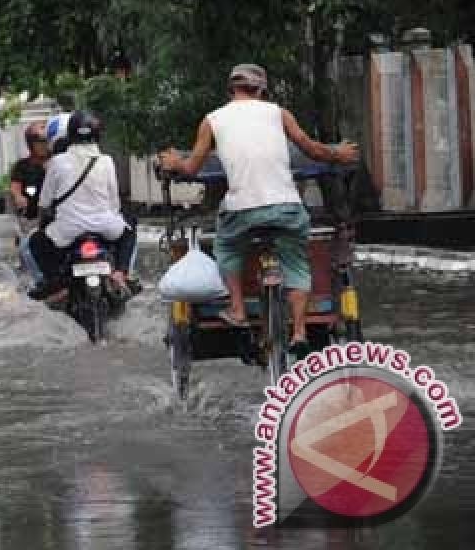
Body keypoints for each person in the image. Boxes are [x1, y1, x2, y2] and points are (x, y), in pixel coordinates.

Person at [159, 63, 359, 356]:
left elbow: (191, 167)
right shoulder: (279, 113)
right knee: (297, 264)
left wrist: (175, 162)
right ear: (262, 89)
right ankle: (300, 330)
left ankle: (238, 309)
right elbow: (311, 149)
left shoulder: (212, 120)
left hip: (242, 212)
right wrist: (338, 154)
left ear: (232, 89)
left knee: (225, 247)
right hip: (288, 209)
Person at [23, 111, 136, 306]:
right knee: (129, 228)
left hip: (68, 232)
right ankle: (120, 273)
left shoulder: (57, 162)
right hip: (105, 228)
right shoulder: (107, 161)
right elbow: (114, 203)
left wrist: (44, 223)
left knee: (35, 241)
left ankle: (57, 285)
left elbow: (44, 204)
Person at [9, 122, 50, 243]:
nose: (43, 146)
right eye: (39, 143)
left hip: (54, 216)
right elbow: (15, 185)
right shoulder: (22, 166)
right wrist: (18, 196)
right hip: (30, 217)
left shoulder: (57, 163)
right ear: (31, 144)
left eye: (45, 142)